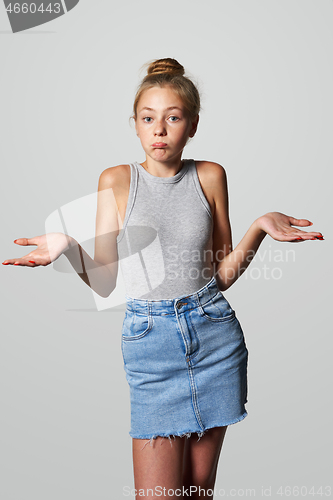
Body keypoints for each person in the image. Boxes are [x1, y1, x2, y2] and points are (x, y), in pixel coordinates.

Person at [2, 58, 324, 499]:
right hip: (151, 344)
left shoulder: (210, 175)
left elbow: (222, 274)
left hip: (214, 335)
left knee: (197, 493)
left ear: (191, 125)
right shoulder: (116, 180)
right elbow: (105, 282)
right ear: (135, 125)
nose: (160, 129)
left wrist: (259, 227)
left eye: (173, 118)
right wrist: (67, 248)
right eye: (148, 118)